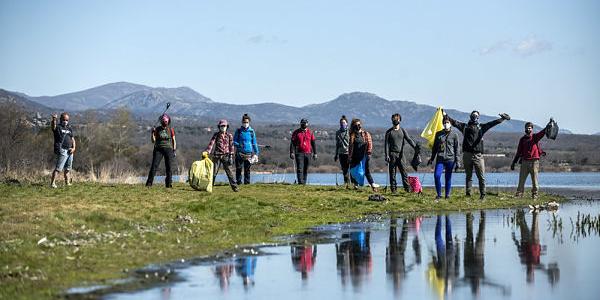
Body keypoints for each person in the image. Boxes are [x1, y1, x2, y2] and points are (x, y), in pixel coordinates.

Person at [447, 111, 510, 200]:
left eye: (476, 115)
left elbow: (493, 123)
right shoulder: (464, 126)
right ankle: (468, 194)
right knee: (468, 176)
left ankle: (483, 195)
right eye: (473, 115)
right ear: (470, 116)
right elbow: (453, 122)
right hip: (467, 155)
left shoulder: (482, 127)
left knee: (481, 177)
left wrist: (503, 119)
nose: (474, 116)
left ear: (478, 117)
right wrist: (444, 114)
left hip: (478, 156)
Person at [511, 121, 550, 199]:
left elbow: (542, 133)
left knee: (535, 180)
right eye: (527, 128)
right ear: (525, 129)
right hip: (524, 162)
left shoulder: (535, 137)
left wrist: (548, 126)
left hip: (534, 162)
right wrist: (514, 162)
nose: (528, 129)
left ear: (532, 129)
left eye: (530, 128)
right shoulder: (522, 139)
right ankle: (519, 195)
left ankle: (535, 195)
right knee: (521, 180)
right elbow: (519, 151)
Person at [427, 116, 460, 200]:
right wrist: (431, 158)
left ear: (450, 124)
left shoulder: (455, 135)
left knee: (448, 177)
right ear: (442, 124)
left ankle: (447, 195)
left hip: (450, 159)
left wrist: (458, 161)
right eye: (444, 123)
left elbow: (457, 149)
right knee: (437, 176)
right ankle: (439, 194)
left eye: (447, 122)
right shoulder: (438, 134)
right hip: (440, 159)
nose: (446, 124)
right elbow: (434, 148)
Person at [384, 113, 418, 193]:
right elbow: (386, 145)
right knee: (392, 173)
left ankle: (407, 189)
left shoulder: (402, 130)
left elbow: (409, 139)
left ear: (400, 120)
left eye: (397, 119)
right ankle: (393, 189)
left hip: (401, 155)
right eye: (394, 119)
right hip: (392, 155)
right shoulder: (388, 132)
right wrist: (386, 155)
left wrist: (415, 147)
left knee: (404, 172)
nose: (395, 120)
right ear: (392, 120)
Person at [206, 119, 239, 192]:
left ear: (227, 126)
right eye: (222, 126)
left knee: (229, 173)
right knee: (213, 173)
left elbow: (231, 146)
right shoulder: (216, 135)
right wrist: (207, 152)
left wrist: (231, 156)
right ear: (219, 127)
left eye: (225, 126)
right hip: (217, 156)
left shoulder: (229, 135)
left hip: (226, 156)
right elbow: (211, 144)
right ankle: (210, 187)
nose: (223, 127)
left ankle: (235, 187)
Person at [146, 114, 176, 188]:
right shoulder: (157, 129)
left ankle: (169, 184)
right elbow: (153, 141)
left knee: (169, 167)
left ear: (168, 121)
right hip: (158, 149)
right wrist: (152, 133)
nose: (165, 122)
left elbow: (174, 140)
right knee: (154, 166)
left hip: (168, 149)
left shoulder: (170, 129)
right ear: (161, 121)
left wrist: (174, 150)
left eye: (166, 121)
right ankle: (149, 184)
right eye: (163, 121)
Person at [348, 118, 378, 192]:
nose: (358, 126)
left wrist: (369, 153)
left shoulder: (366, 134)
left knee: (366, 171)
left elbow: (370, 144)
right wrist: (349, 156)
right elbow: (350, 147)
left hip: (364, 156)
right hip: (355, 156)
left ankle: (373, 185)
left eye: (359, 124)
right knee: (352, 171)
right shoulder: (352, 135)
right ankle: (355, 185)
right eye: (356, 125)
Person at [51, 112, 76, 188]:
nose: (65, 121)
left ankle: (67, 183)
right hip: (62, 150)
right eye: (64, 119)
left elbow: (73, 139)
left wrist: (74, 148)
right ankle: (52, 183)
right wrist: (54, 119)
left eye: (67, 120)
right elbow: (53, 127)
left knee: (68, 168)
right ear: (61, 119)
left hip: (70, 150)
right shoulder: (58, 127)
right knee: (58, 168)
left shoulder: (69, 128)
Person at [233, 114, 259, 185]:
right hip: (239, 153)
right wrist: (239, 144)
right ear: (242, 122)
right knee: (239, 169)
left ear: (249, 122)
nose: (245, 124)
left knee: (247, 170)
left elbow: (254, 142)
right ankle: (238, 182)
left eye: (247, 122)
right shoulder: (238, 131)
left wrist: (256, 153)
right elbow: (234, 141)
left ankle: (247, 183)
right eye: (244, 122)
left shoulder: (251, 131)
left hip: (249, 154)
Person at [290, 118, 317, 184]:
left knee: (305, 169)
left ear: (307, 124)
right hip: (299, 153)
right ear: (300, 124)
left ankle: (304, 183)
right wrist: (291, 152)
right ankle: (300, 183)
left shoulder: (310, 132)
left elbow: (313, 143)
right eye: (302, 123)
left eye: (305, 123)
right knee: (299, 168)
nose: (303, 124)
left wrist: (315, 153)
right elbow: (292, 143)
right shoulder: (296, 132)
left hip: (308, 153)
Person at [334, 115, 352, 186]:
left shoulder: (350, 132)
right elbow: (337, 144)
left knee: (350, 169)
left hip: (349, 153)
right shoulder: (337, 132)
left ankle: (352, 183)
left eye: (344, 123)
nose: (342, 124)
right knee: (344, 169)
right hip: (341, 153)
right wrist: (336, 154)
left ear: (347, 123)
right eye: (341, 123)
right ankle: (346, 183)